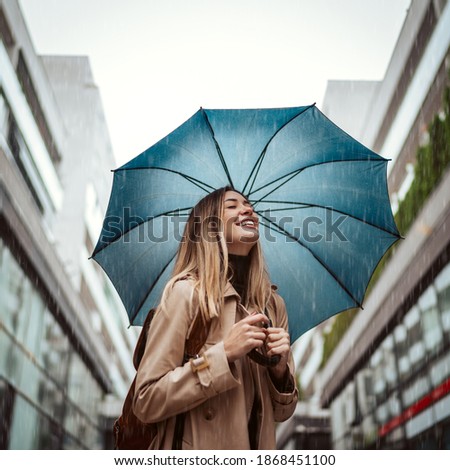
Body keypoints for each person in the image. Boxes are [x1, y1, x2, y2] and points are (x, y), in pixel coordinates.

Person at [133, 186, 298, 450]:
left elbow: (281, 413)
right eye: (232, 205)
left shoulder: (273, 306)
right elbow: (146, 400)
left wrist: (279, 371)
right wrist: (223, 355)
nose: (248, 210)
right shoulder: (185, 294)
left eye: (248, 205)